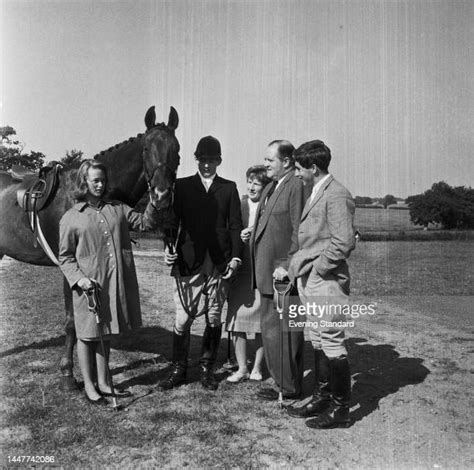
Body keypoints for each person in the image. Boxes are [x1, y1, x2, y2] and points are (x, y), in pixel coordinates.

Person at [59, 160, 164, 405]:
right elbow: (64, 257)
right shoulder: (71, 217)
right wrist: (79, 280)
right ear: (83, 182)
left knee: (105, 334)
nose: (100, 184)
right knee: (87, 335)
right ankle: (89, 386)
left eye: (103, 180)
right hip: (87, 287)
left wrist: (155, 203)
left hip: (112, 282)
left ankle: (105, 383)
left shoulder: (117, 208)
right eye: (95, 180)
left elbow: (144, 223)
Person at [160, 136, 243, 391]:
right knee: (183, 318)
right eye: (203, 160)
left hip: (218, 262)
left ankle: (207, 369)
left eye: (212, 161)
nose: (207, 165)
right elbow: (172, 222)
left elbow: (235, 226)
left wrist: (236, 257)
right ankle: (179, 369)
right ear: (197, 160)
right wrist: (168, 247)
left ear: (219, 161)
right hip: (188, 261)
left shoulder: (229, 188)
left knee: (214, 316)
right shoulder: (182, 187)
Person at [286, 140, 356, 428]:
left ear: (314, 168)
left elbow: (344, 242)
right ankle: (322, 397)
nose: (297, 174)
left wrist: (318, 271)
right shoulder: (315, 188)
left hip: (325, 281)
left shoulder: (337, 194)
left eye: (300, 169)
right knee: (317, 337)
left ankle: (341, 411)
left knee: (331, 340)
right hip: (311, 279)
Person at [246, 140, 308, 400]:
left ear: (287, 161)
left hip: (282, 274)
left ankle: (288, 387)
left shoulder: (295, 186)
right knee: (272, 330)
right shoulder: (272, 186)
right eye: (266, 159)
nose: (266, 164)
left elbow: (298, 231)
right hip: (265, 271)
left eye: (270, 160)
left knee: (286, 332)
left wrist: (287, 267)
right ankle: (282, 382)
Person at [225, 165, 271, 383]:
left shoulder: (270, 207)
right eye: (249, 182)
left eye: (257, 183)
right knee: (237, 319)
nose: (252, 187)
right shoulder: (240, 205)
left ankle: (257, 368)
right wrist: (238, 237)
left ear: (265, 186)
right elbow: (228, 230)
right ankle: (242, 368)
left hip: (262, 271)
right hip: (242, 270)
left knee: (262, 321)